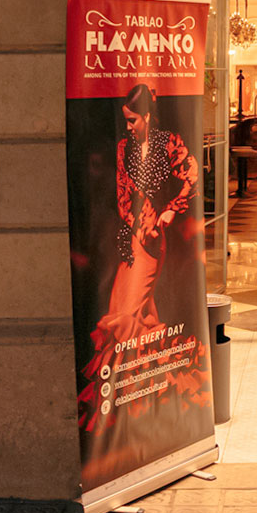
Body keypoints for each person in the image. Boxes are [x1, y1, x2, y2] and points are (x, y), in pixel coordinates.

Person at [100, 83, 198, 338]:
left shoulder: (168, 143)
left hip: (154, 238)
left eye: (132, 120)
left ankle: (138, 368)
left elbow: (193, 176)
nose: (129, 127)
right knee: (128, 307)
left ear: (145, 115)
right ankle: (140, 372)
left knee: (127, 311)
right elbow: (122, 194)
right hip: (131, 236)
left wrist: (172, 209)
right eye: (126, 121)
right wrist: (136, 225)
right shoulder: (124, 147)